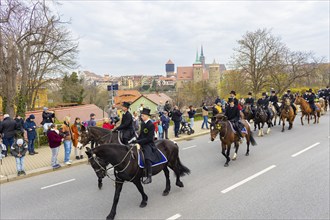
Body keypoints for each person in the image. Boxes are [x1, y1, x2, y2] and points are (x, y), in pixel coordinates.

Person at [131, 108, 161, 184]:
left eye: (143, 116)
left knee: (147, 157)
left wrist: (139, 141)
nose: (141, 117)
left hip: (149, 143)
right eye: (141, 115)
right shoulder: (143, 123)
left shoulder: (151, 124)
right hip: (142, 142)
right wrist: (136, 140)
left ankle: (149, 176)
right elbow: (141, 134)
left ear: (147, 116)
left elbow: (149, 138)